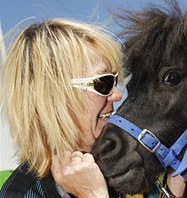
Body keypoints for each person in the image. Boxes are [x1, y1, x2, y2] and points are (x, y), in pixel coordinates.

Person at [0, 18, 123, 198]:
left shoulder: (116, 164)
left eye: (115, 78)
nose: (117, 94)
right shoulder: (23, 194)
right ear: (54, 98)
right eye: (103, 82)